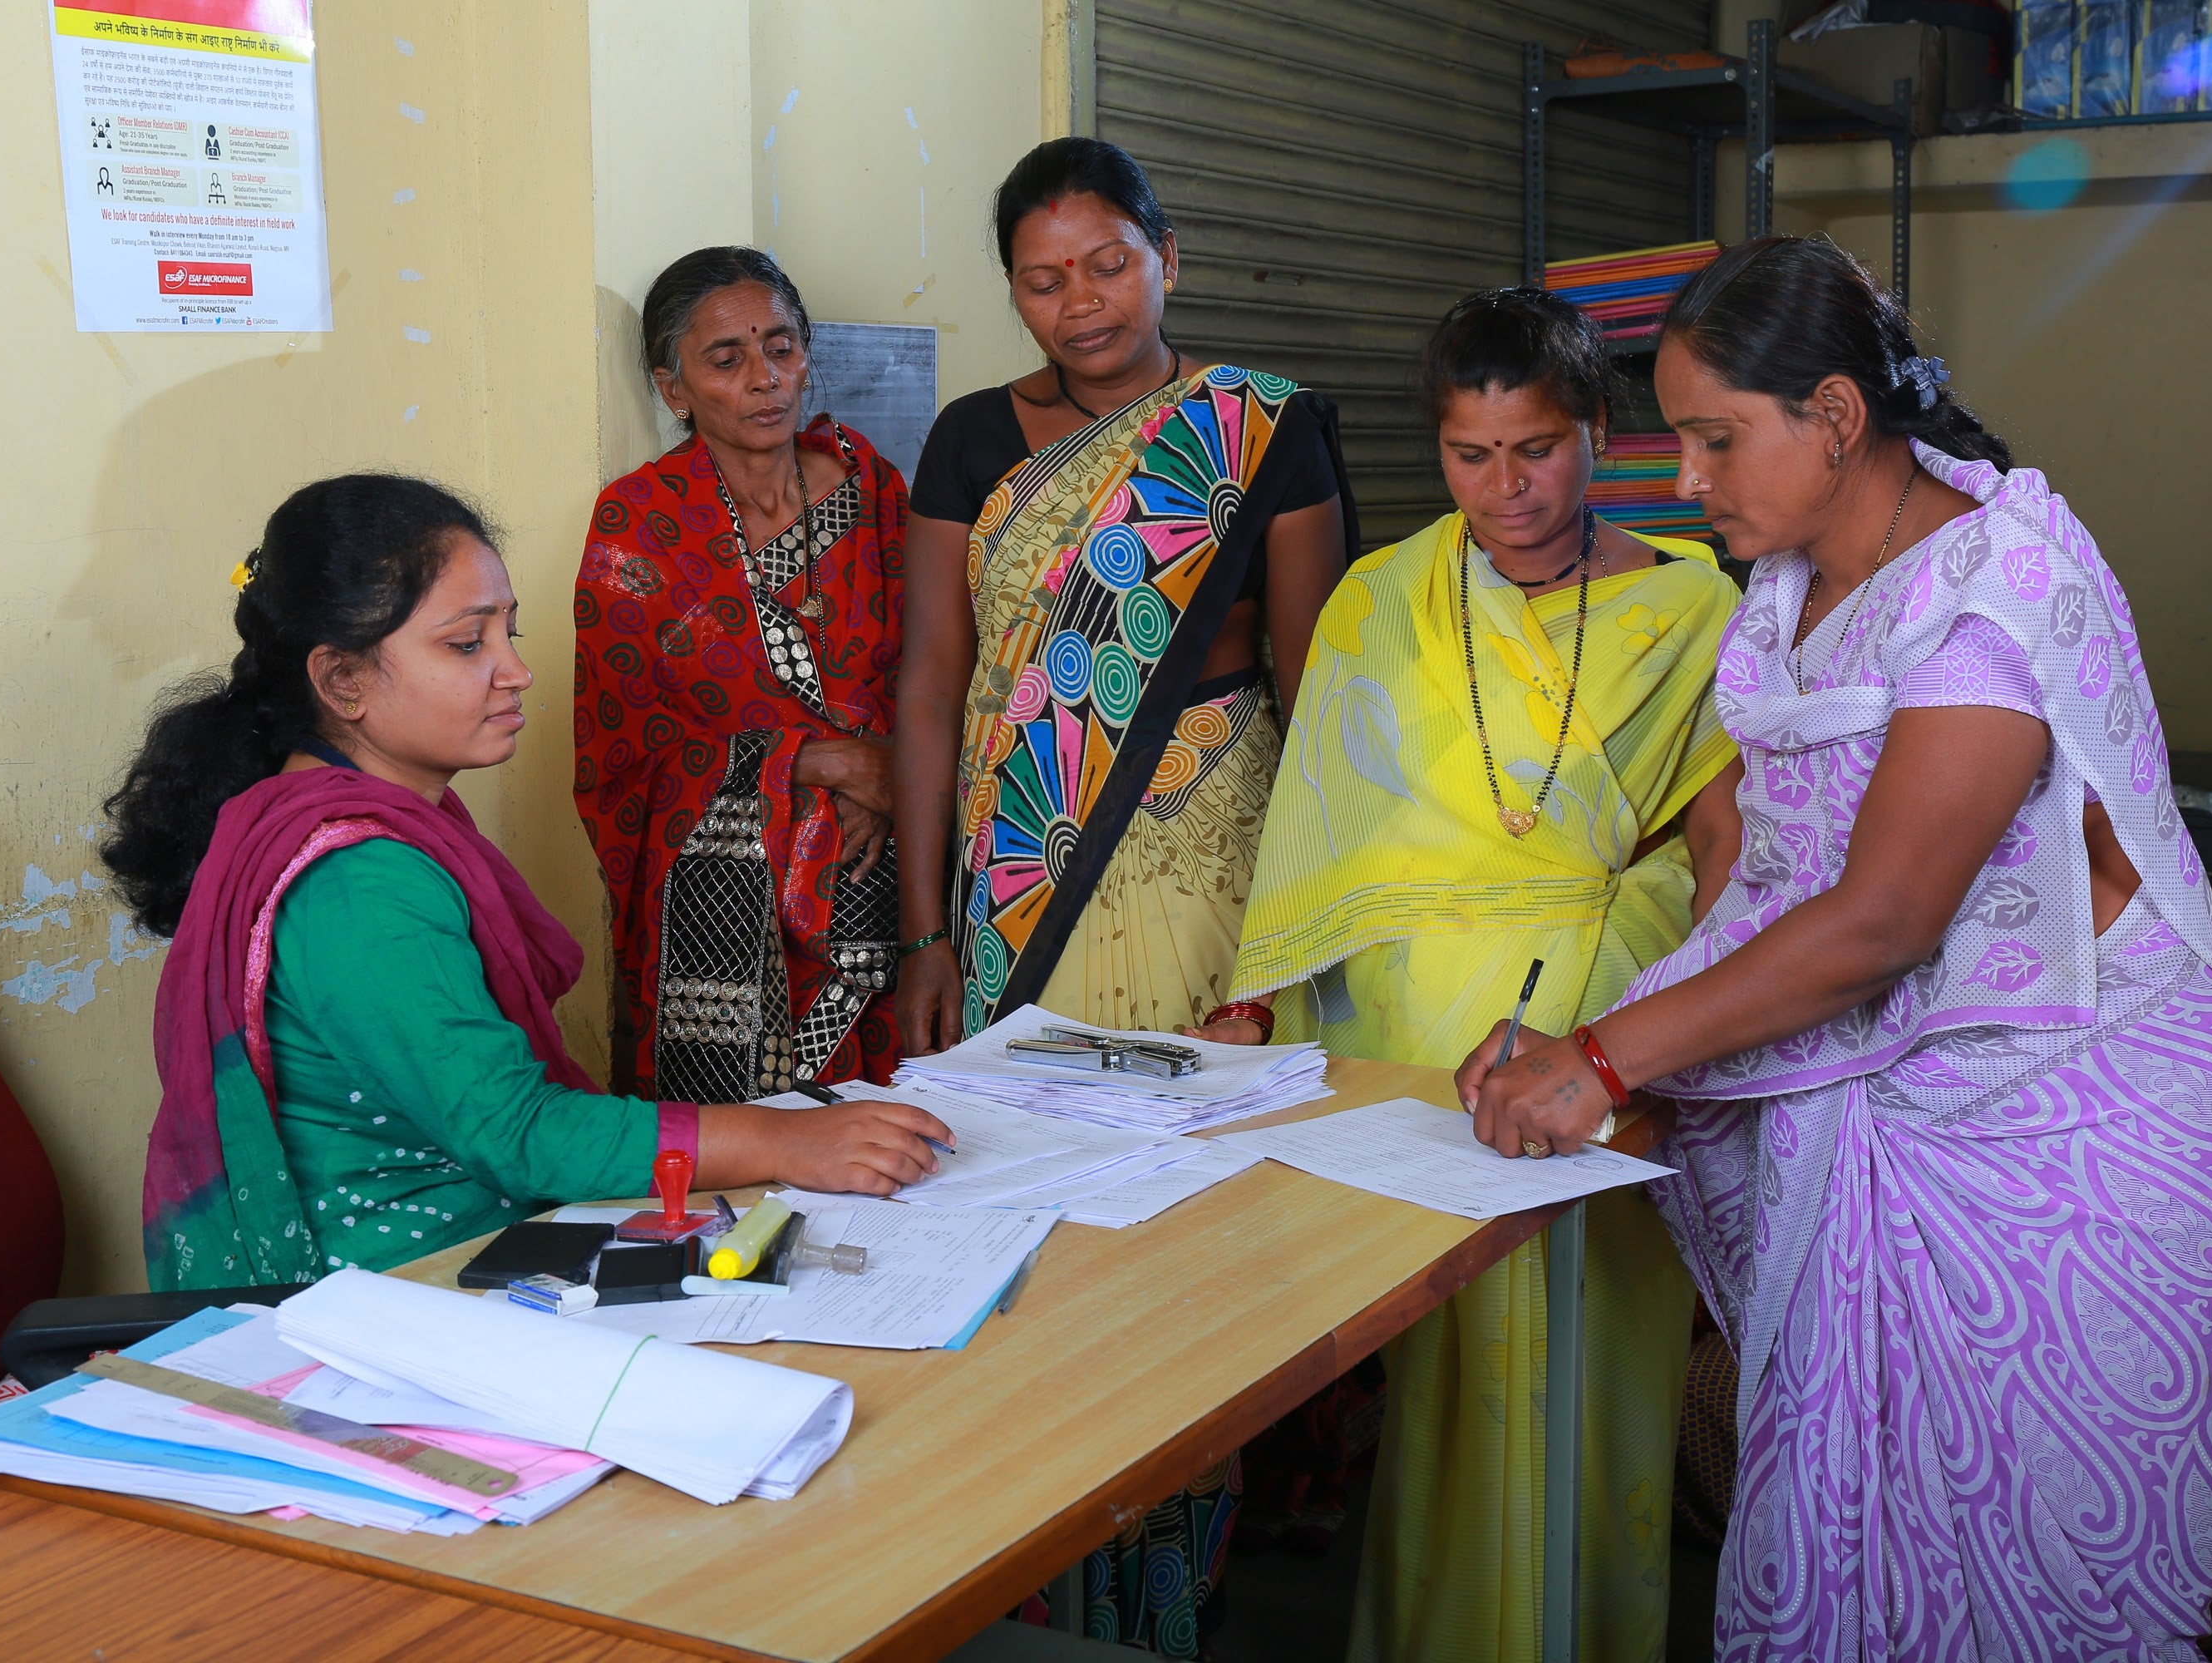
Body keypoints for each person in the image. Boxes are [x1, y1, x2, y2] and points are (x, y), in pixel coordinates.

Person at [1457, 234, 2212, 1656]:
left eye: (1716, 441)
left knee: (2036, 1594)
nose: (1688, 481)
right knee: (1858, 1562)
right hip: (1913, 1108)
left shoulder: (1989, 595)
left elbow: (1883, 920)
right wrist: (1604, 1052)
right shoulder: (1791, 588)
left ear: (1835, 419)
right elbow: (1753, 865)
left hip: (2077, 1136)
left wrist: (1600, 1058)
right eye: (1677, 443)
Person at [1226, 287, 1744, 1662]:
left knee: (1601, 1361)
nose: (1507, 489)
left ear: (1602, 436)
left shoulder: (1695, 605)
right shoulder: (1381, 600)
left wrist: (1686, 1012)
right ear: (1437, 451)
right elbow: (1318, 829)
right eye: (1472, 455)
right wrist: (1256, 1002)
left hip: (1606, 1020)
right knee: (1445, 1375)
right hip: (1413, 1036)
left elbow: (1729, 834)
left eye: (1540, 450)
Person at [104, 476, 950, 1290]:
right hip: (399, 1290)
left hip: (474, 1244)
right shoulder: (357, 880)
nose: (515, 671)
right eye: (467, 643)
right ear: (344, 681)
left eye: (511, 632)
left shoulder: (379, 819)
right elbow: (514, 1130)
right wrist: (788, 1142)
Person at [892, 136, 1351, 1059]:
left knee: (1217, 1145)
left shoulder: (1261, 427)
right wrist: (922, 935)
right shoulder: (970, 437)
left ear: (1167, 258)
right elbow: (933, 683)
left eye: (1111, 265)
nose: (1082, 302)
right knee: (1035, 1147)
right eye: (1042, 281)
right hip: (1021, 846)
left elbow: (1319, 693)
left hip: (1212, 835)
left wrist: (1314, 904)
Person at [575, 248, 908, 1102]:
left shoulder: (871, 490)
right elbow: (624, 747)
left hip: (891, 873)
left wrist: (892, 779)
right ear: (673, 387)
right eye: (727, 359)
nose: (765, 377)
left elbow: (943, 662)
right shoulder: (640, 523)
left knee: (910, 1133)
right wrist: (822, 761)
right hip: (726, 899)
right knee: (747, 1163)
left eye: (782, 346)